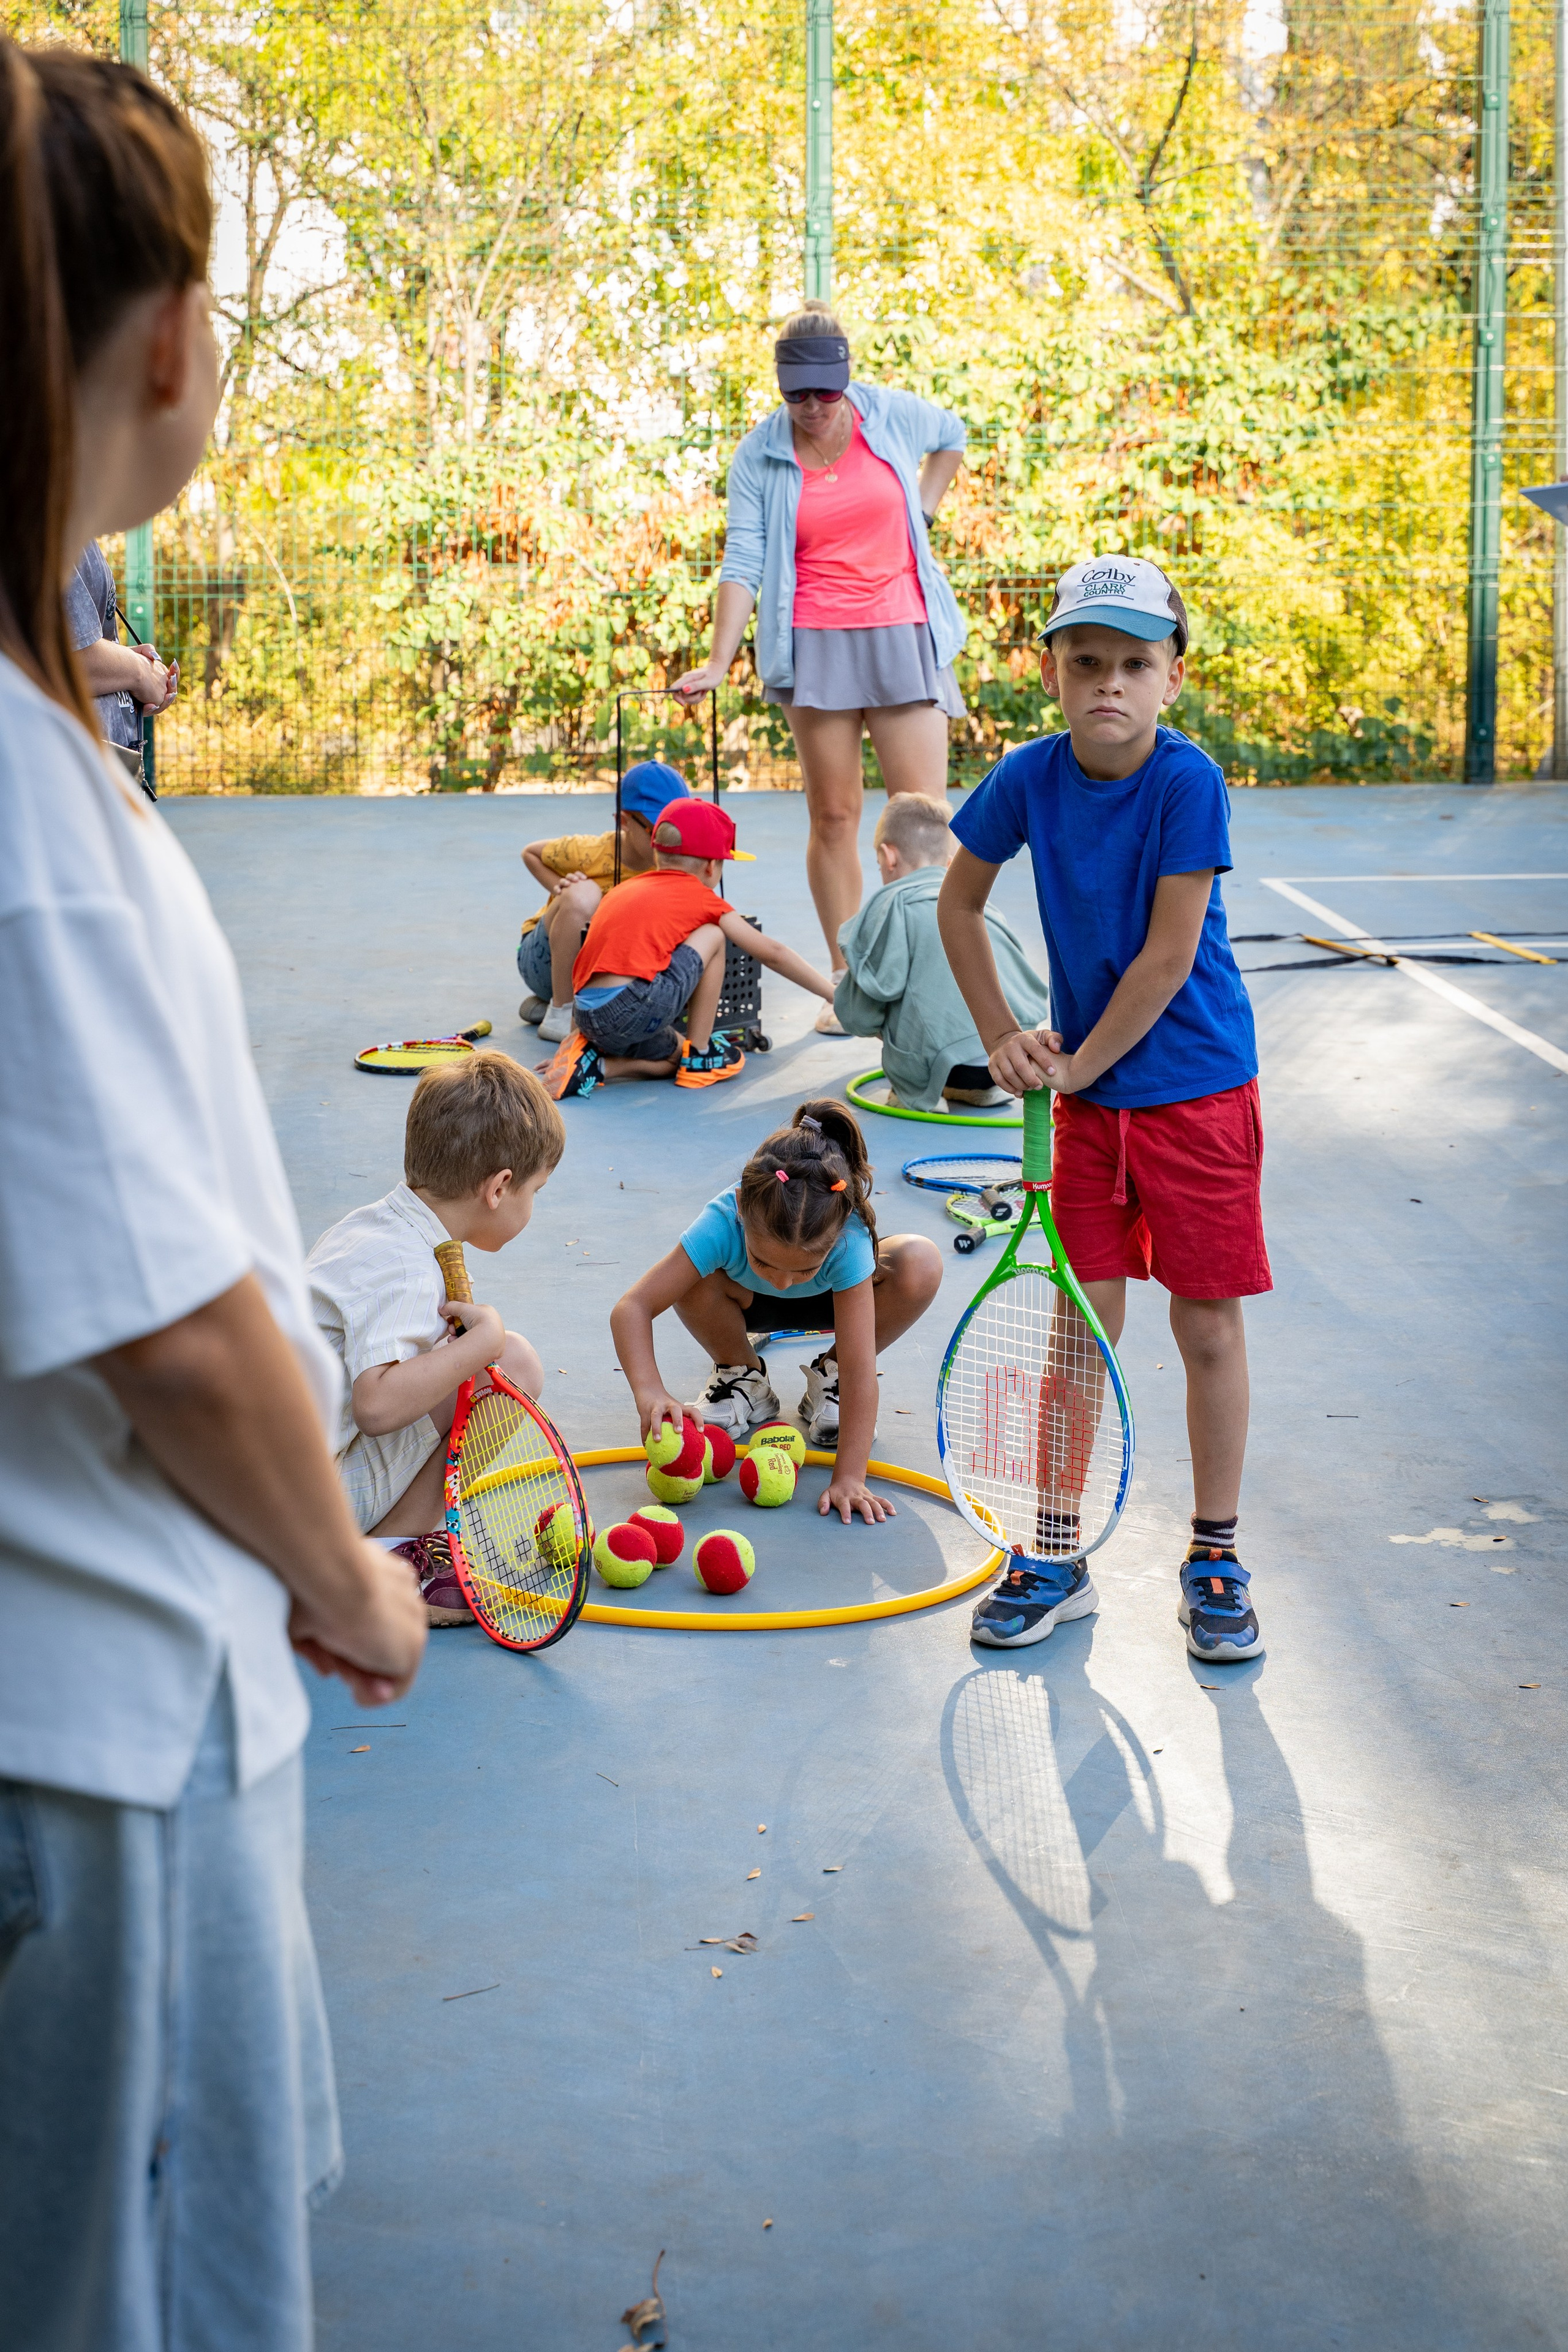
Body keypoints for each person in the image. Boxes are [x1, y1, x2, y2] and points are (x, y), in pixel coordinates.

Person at [0, 40, 426, 2352]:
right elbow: (163, 1324)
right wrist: (345, 1572)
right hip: (95, 1734)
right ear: (169, 340)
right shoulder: (34, 830)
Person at [939, 556, 1269, 1665]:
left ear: (1172, 677)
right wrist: (1002, 1035)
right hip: (1088, 1107)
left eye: (1136, 663)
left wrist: (1075, 1069)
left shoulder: (1190, 783)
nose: (1110, 685)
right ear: (1053, 672)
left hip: (1198, 1098)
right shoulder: (1029, 778)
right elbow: (959, 899)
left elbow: (1171, 957)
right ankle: (1056, 1548)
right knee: (1080, 1332)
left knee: (1206, 1326)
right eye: (1088, 663)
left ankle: (1215, 1554)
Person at [673, 301, 968, 1020]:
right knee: (834, 816)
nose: (811, 408)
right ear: (780, 387)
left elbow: (952, 437)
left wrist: (920, 511)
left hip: (902, 629)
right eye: (795, 395)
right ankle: (850, 986)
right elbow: (742, 558)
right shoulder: (761, 453)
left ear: (846, 379)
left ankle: (940, 974)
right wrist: (718, 660)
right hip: (815, 643)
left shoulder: (887, 416)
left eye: (824, 393)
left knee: (922, 817)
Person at [307, 1053, 562, 1626]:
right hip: (302, 1513)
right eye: (535, 1191)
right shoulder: (406, 1267)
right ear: (499, 1189)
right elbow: (375, 1404)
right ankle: (392, 1560)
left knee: (482, 1361)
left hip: (261, 1487)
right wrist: (483, 1342)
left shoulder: (369, 1228)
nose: (532, 1205)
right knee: (514, 1362)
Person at [610, 1101, 943, 1509]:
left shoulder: (849, 1238)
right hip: (744, 1303)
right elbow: (632, 1308)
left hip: (832, 1307)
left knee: (919, 1262)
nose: (783, 1282)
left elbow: (862, 1372)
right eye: (765, 1261)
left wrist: (850, 1477)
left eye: (803, 1269)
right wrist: (650, 1392)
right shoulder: (722, 1218)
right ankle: (742, 1374)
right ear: (739, 1208)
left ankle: (828, 1377)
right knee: (688, 1275)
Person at [541, 794, 835, 1098]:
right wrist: (834, 995)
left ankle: (593, 1066)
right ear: (711, 867)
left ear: (658, 855)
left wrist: (575, 1035)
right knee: (714, 935)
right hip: (631, 1008)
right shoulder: (702, 897)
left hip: (589, 1016)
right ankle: (701, 1053)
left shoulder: (623, 890)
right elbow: (773, 954)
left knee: (673, 1060)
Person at [833, 791, 1051, 1112]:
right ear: (950, 863)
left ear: (888, 856)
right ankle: (977, 1091)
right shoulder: (981, 908)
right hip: (1006, 1064)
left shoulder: (889, 906)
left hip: (937, 1066)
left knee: (894, 993)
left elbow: (859, 1015)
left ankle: (919, 1090)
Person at [517, 758, 690, 1042]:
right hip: (545, 960)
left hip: (603, 973)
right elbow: (531, 853)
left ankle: (555, 1005)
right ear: (623, 821)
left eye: (674, 830)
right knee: (584, 894)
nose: (666, 841)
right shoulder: (593, 851)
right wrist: (561, 889)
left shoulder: (673, 863)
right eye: (655, 830)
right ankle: (562, 1013)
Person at [63, 536, 175, 791]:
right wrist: (140, 673)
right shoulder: (50, 525)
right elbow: (66, 659)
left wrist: (125, 671)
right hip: (75, 777)